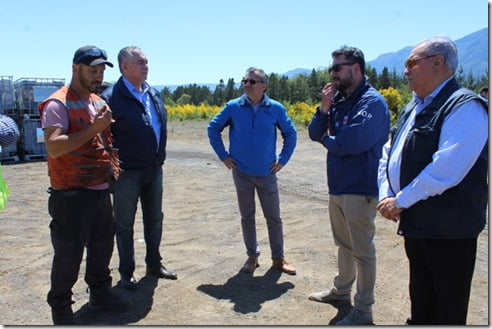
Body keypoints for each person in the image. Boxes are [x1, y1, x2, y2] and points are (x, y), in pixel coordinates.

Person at [377, 36, 488, 325]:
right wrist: (386, 195)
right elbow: (389, 154)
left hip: (451, 230)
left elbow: (446, 170)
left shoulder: (465, 107)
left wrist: (399, 201)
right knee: (422, 299)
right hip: (419, 223)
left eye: (412, 63)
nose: (405, 71)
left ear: (439, 62)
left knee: (447, 309)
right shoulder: (413, 106)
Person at [39, 45, 129, 325]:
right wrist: (95, 127)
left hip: (100, 190)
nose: (99, 75)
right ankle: (62, 310)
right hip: (71, 194)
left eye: (102, 70)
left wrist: (112, 164)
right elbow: (54, 147)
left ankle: (100, 294)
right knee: (69, 256)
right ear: (76, 68)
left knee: (102, 248)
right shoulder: (57, 103)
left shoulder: (96, 101)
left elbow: (101, 141)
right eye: (93, 70)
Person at [307, 46, 390, 325]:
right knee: (343, 244)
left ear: (356, 68)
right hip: (339, 185)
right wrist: (324, 109)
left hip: (361, 186)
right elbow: (314, 132)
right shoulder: (339, 99)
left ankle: (363, 310)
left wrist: (328, 141)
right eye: (332, 68)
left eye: (338, 67)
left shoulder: (372, 103)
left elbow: (350, 144)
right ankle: (341, 291)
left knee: (362, 251)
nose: (333, 73)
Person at [208, 67, 297, 275]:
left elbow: (291, 135)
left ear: (264, 86)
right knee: (247, 216)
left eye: (252, 81)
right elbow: (213, 128)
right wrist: (223, 155)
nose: (247, 84)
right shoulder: (233, 107)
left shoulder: (275, 109)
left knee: (274, 218)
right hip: (242, 172)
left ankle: (278, 259)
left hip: (267, 173)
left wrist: (282, 160)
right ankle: (252, 256)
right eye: (245, 81)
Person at [103, 46, 176, 291]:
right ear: (125, 67)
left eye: (147, 62)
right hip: (126, 172)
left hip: (154, 169)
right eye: (141, 62)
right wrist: (113, 168)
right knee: (124, 223)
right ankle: (126, 272)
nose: (146, 66)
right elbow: (104, 138)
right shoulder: (111, 97)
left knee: (155, 219)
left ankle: (154, 264)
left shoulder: (153, 94)